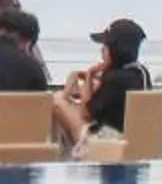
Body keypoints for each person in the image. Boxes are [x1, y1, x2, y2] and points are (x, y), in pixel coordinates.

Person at [53, 16, 154, 152]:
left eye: (106, 46)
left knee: (58, 100)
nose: (102, 50)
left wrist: (89, 75)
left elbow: (85, 113)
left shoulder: (114, 79)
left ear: (116, 49)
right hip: (135, 143)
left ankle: (80, 154)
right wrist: (96, 81)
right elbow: (109, 97)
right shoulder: (140, 73)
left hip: (110, 144)